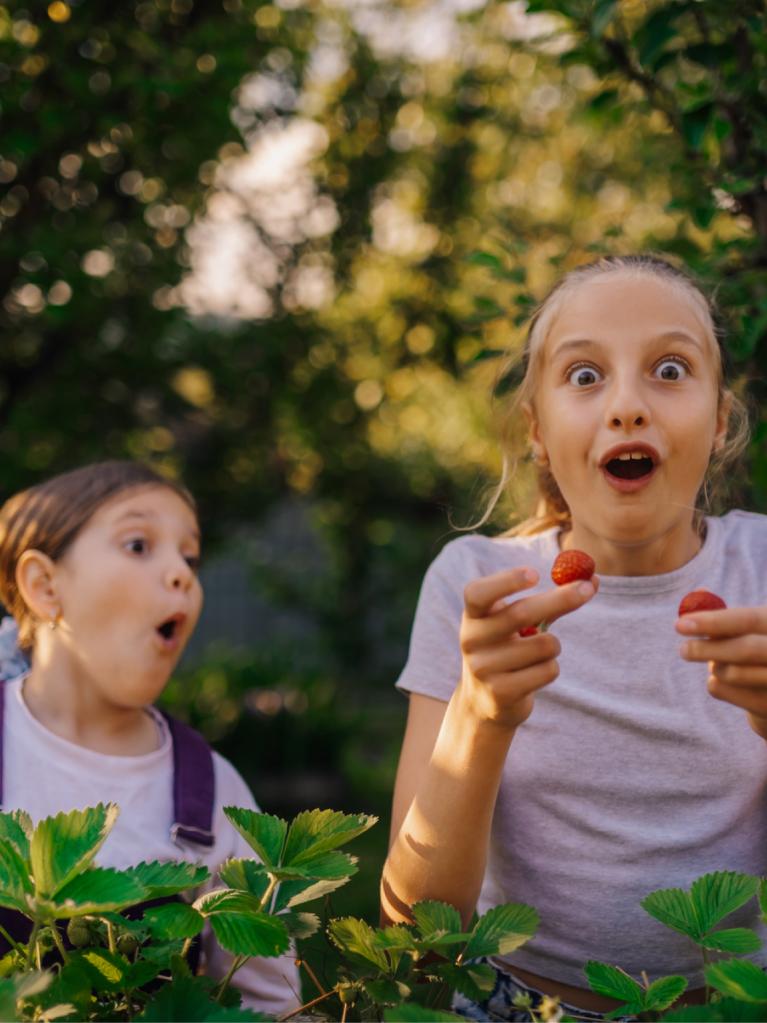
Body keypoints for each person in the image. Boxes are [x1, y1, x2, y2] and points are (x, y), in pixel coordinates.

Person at [381, 254, 767, 1021]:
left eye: (668, 368)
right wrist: (481, 714)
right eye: (584, 376)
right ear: (537, 428)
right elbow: (415, 933)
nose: (625, 405)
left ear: (719, 420)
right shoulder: (477, 585)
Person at [0, 461, 300, 1017]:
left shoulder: (212, 790)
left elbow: (271, 1006)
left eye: (190, 557)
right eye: (139, 545)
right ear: (45, 587)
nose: (181, 573)